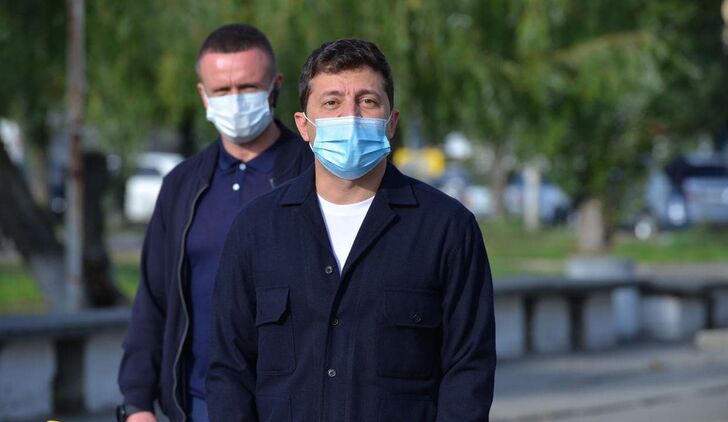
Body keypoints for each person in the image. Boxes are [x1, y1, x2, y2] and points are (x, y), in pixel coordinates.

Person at [206, 38, 496, 421]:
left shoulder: (447, 229)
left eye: (367, 101)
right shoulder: (257, 229)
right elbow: (229, 368)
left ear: (391, 122)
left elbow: (468, 369)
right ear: (304, 126)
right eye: (332, 102)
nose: (351, 116)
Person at [117, 24, 313, 422]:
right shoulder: (182, 185)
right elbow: (153, 301)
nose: (235, 100)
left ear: (275, 86)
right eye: (222, 90)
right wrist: (137, 404)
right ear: (203, 95)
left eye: (248, 87)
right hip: (199, 403)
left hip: (296, 402)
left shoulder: (314, 175)